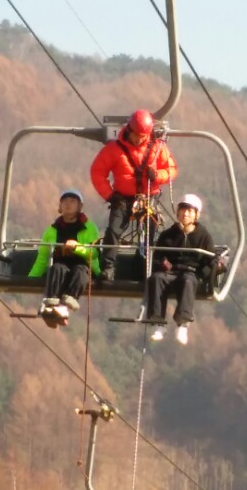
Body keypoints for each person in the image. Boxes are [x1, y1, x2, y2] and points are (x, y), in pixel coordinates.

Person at [89, 109, 177, 281]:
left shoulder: (158, 147)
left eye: (144, 136)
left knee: (149, 231)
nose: (140, 139)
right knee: (114, 230)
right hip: (122, 197)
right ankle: (108, 266)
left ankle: (144, 266)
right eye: (137, 135)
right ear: (129, 130)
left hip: (148, 197)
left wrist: (157, 175)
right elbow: (97, 172)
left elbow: (171, 170)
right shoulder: (114, 149)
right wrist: (110, 195)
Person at [145, 193, 215, 345]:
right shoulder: (167, 235)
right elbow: (157, 256)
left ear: (196, 214)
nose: (185, 214)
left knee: (188, 281)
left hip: (190, 272)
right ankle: (158, 323)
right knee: (157, 278)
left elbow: (210, 260)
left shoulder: (203, 236)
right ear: (178, 212)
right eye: (183, 210)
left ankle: (182, 323)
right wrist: (163, 263)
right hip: (170, 271)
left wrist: (205, 273)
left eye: (190, 211)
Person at [28, 189, 101, 328]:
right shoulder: (52, 230)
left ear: (80, 206)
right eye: (65, 201)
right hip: (61, 263)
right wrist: (32, 278)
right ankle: (52, 303)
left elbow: (95, 252)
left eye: (72, 201)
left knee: (79, 272)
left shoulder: (89, 228)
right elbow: (43, 256)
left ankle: (67, 302)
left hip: (82, 264)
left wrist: (77, 247)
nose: (68, 204)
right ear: (60, 206)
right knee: (56, 268)